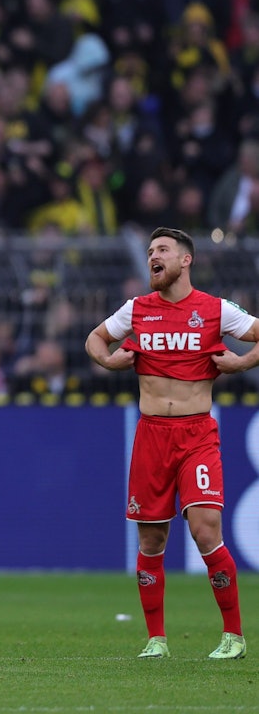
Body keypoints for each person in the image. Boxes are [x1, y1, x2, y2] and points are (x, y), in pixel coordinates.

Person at [84, 227, 257, 660]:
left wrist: (239, 363)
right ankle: (156, 640)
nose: (152, 258)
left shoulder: (215, 310)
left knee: (205, 530)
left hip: (197, 433)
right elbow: (94, 338)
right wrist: (108, 359)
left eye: (162, 250)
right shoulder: (137, 309)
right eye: (149, 252)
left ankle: (233, 636)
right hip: (151, 436)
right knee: (152, 542)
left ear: (186, 260)